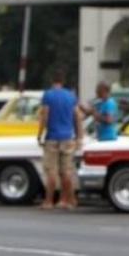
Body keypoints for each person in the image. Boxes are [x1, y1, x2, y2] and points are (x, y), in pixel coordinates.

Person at [37, 69, 83, 210]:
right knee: (66, 171)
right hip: (67, 137)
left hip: (52, 137)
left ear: (53, 81)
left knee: (51, 171)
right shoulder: (71, 96)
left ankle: (48, 201)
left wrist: (40, 134)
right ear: (63, 82)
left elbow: (45, 115)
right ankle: (67, 201)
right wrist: (79, 136)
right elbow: (77, 117)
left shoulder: (48, 95)